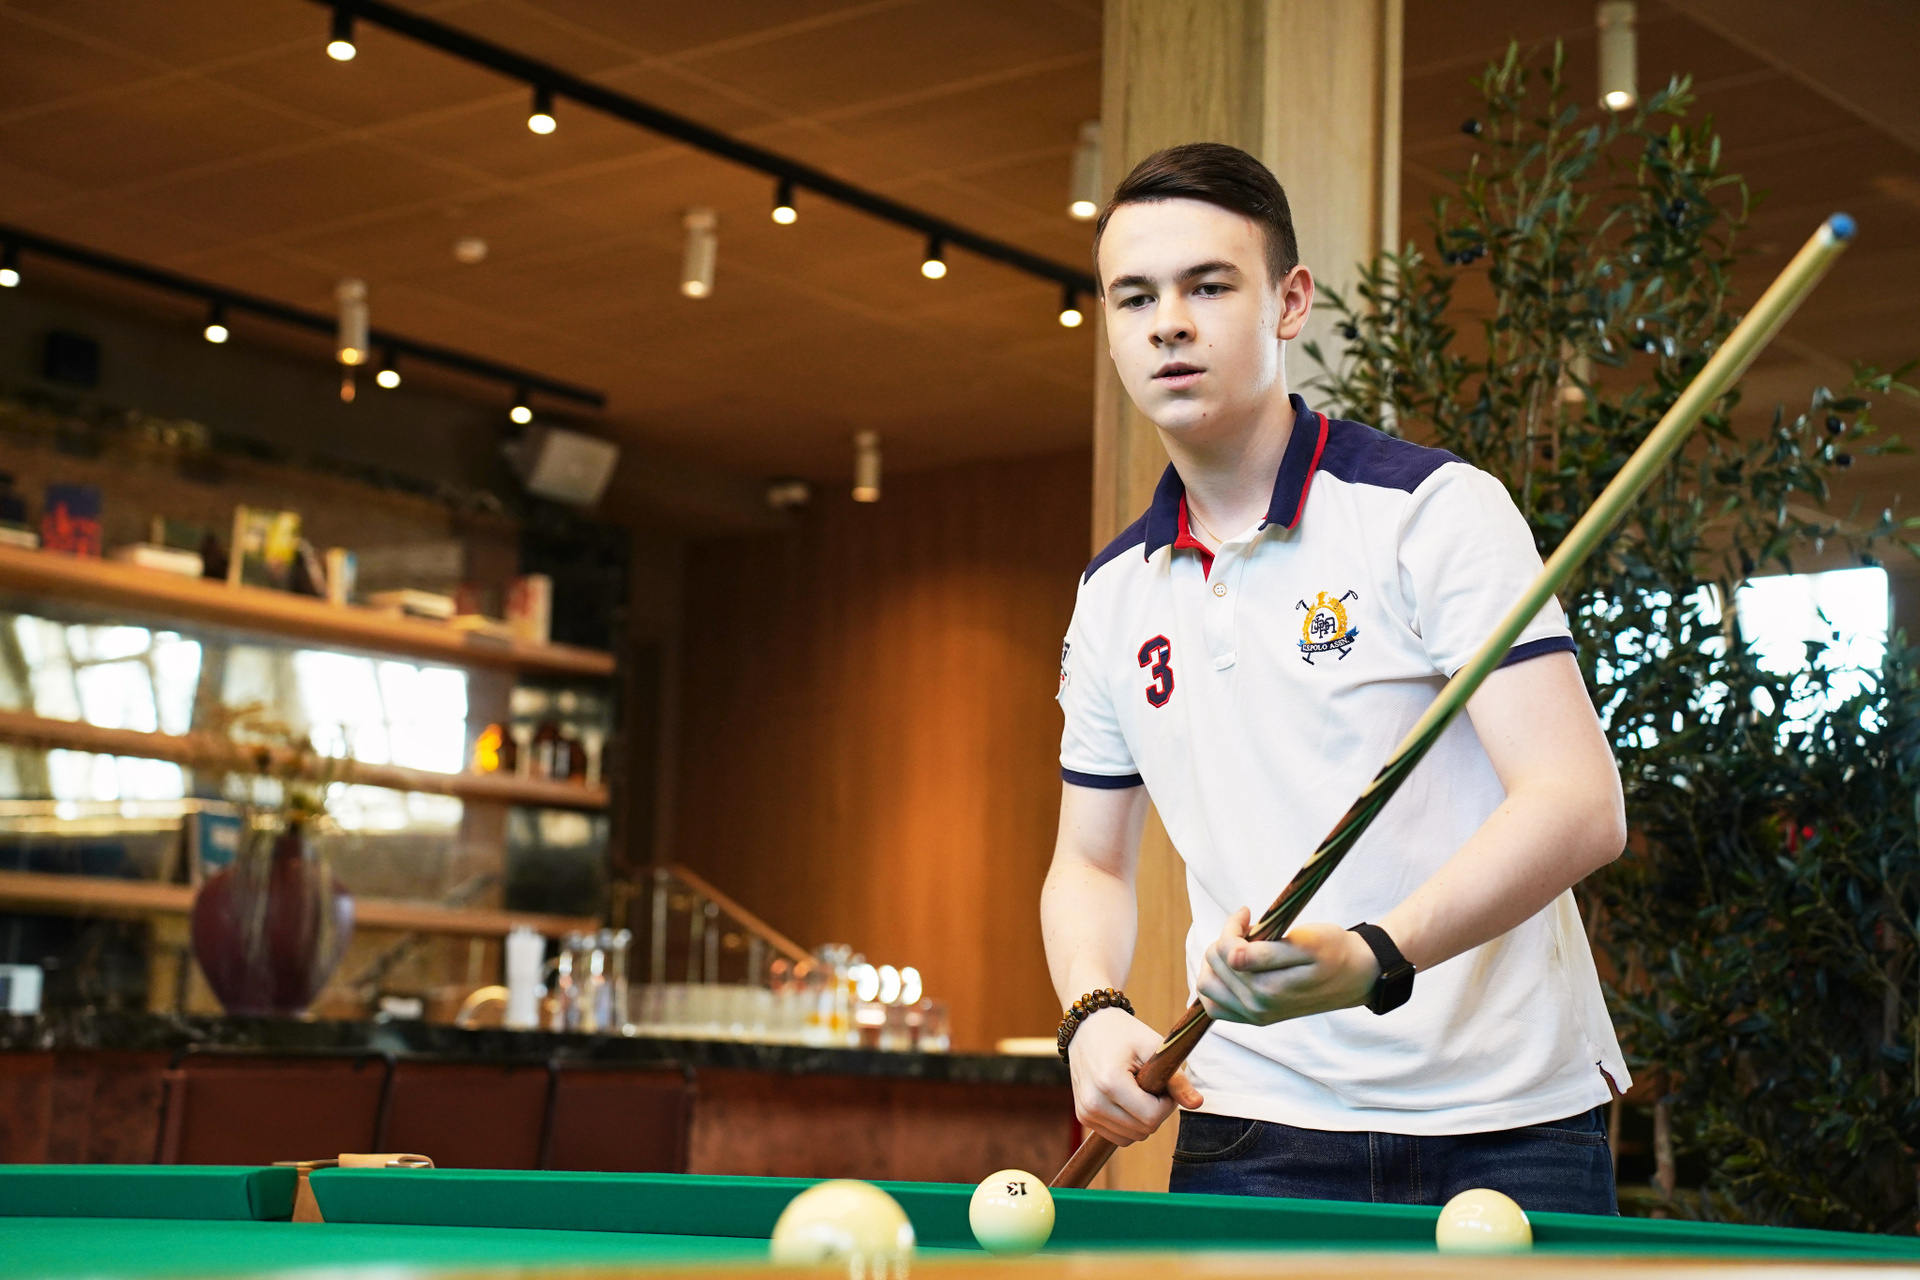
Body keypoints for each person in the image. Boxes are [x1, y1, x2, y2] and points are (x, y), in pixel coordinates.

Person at [1043, 142, 1629, 1213]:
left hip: (1508, 1123)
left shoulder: (1432, 512)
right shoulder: (1113, 595)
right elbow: (1089, 862)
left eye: (1207, 286)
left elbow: (1578, 803)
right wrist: (1092, 1011)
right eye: (1134, 297)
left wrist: (1373, 956)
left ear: (1289, 301)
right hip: (1251, 1121)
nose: (1167, 323)